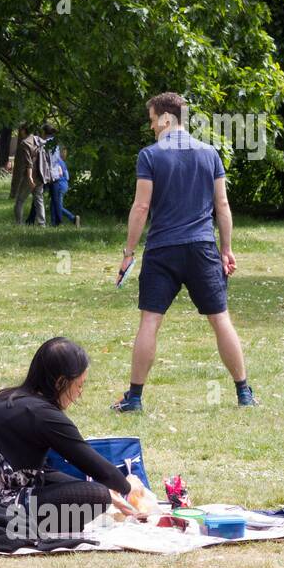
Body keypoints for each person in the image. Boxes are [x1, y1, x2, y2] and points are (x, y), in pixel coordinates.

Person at [112, 92, 257, 412]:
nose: (151, 127)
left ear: (166, 118)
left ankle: (134, 399)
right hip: (202, 249)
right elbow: (222, 206)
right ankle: (244, 393)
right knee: (221, 320)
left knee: (149, 322)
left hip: (162, 250)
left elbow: (141, 206)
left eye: (152, 120)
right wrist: (226, 250)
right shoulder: (210, 155)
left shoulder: (149, 156)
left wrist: (128, 252)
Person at [0, 338, 141, 540]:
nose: (80, 393)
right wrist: (129, 486)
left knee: (76, 486)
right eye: (79, 385)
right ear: (61, 382)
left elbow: (39, 473)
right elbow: (101, 471)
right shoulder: (45, 416)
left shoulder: (9, 399)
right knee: (96, 497)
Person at [10, 127, 46, 225]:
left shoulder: (25, 143)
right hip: (40, 174)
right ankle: (42, 224)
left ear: (23, 130)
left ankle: (19, 224)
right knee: (39, 199)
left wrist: (29, 177)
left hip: (29, 177)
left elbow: (28, 162)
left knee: (20, 200)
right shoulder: (39, 141)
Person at [49, 143, 79, 227]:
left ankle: (73, 218)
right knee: (53, 205)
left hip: (59, 185)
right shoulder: (62, 162)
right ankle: (54, 223)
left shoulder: (55, 162)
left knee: (57, 205)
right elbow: (67, 176)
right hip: (64, 185)